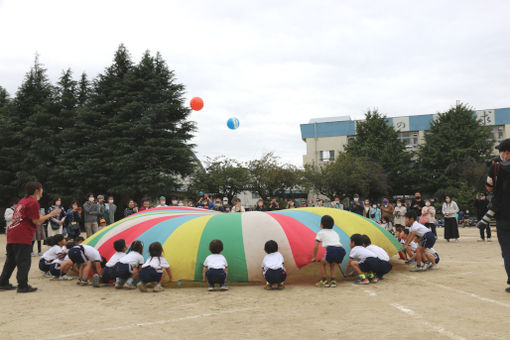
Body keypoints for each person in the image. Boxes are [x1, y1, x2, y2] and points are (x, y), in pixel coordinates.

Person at [0, 182, 62, 292]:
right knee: (24, 261)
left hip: (12, 234)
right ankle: (22, 285)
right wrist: (51, 215)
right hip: (22, 235)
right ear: (37, 191)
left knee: (11, 260)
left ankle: (3, 282)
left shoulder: (22, 201)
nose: (42, 191)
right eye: (41, 189)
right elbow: (36, 221)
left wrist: (44, 216)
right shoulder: (33, 202)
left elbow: (33, 217)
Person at [486, 139, 510, 293]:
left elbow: (489, 188)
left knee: (507, 251)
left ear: (505, 152)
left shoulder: (495, 168)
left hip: (503, 215)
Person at [312, 215, 346, 288]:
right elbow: (335, 243)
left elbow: (316, 245)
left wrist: (314, 257)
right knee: (333, 264)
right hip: (341, 250)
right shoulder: (335, 232)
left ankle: (324, 280)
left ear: (321, 225)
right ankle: (333, 281)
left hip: (331, 250)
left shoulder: (321, 232)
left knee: (322, 262)